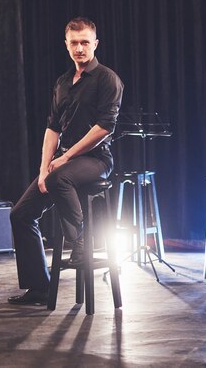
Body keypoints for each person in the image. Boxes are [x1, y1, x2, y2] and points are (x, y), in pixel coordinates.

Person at [8, 17, 124, 305]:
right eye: (74, 43)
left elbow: (104, 127)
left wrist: (66, 159)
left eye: (85, 42)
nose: (80, 48)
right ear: (67, 45)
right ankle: (39, 287)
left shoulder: (107, 79)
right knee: (20, 214)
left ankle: (81, 242)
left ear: (95, 44)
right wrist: (43, 169)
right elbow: (52, 128)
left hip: (96, 159)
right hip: (64, 163)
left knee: (61, 177)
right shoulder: (62, 82)